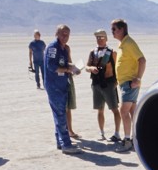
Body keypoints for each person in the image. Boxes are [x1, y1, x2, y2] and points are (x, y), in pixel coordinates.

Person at [43, 24, 82, 154]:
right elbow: (51, 66)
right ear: (57, 34)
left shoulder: (64, 49)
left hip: (62, 84)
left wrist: (73, 67)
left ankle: (60, 142)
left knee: (59, 114)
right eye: (63, 34)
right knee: (60, 115)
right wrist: (67, 70)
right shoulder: (53, 48)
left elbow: (64, 64)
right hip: (54, 86)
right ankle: (66, 144)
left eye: (67, 34)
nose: (65, 37)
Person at [111, 18, 146, 150]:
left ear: (121, 29)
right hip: (125, 83)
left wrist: (138, 79)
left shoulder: (129, 43)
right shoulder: (123, 44)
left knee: (123, 111)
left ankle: (127, 141)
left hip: (130, 83)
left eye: (114, 29)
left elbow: (142, 60)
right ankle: (135, 139)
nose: (112, 32)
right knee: (132, 112)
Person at [86, 29, 121, 140]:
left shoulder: (112, 52)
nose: (99, 39)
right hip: (96, 84)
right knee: (100, 109)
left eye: (101, 37)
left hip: (109, 84)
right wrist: (91, 68)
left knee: (115, 109)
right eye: (97, 37)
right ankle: (101, 133)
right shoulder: (93, 52)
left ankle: (117, 133)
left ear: (106, 38)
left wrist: (116, 82)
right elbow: (87, 66)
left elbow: (117, 69)